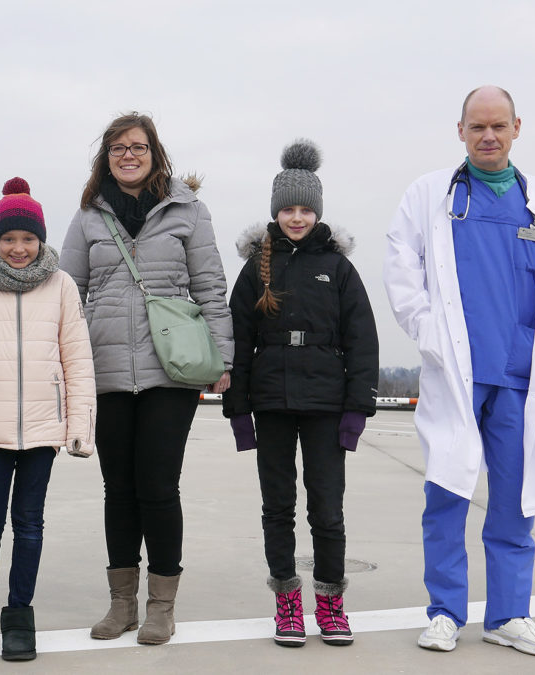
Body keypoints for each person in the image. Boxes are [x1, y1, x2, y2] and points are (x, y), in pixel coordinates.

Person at [384, 85, 535, 656]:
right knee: (447, 493)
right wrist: (428, 332)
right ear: (460, 130)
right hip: (457, 374)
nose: (488, 136)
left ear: (517, 127)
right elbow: (401, 268)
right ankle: (446, 612)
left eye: (498, 126)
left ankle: (508, 615)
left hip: (520, 380)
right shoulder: (431, 196)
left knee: (515, 501)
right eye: (477, 126)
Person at [60, 112, 233, 646]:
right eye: (117, 148)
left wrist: (223, 359)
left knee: (158, 487)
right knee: (119, 490)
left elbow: (210, 285)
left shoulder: (188, 211)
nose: (127, 155)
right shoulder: (89, 215)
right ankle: (121, 605)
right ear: (105, 157)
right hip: (106, 370)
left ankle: (161, 605)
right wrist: (65, 365)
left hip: (170, 371)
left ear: (155, 154)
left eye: (137, 147)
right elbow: (68, 294)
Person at [222, 140, 379, 648]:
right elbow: (238, 341)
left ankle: (330, 602)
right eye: (287, 209)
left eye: (305, 209)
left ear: (318, 212)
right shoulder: (255, 269)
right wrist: (238, 412)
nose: (296, 217)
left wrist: (356, 410)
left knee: (327, 509)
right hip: (270, 404)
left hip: (325, 406)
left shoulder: (337, 269)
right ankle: (287, 601)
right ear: (275, 211)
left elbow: (362, 341)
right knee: (278, 506)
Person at [0, 178, 96, 661]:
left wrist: (79, 427)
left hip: (44, 430)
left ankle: (19, 616)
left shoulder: (63, 284)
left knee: (29, 524)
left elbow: (78, 360)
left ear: (41, 240)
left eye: (27, 239)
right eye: (9, 239)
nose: (19, 248)